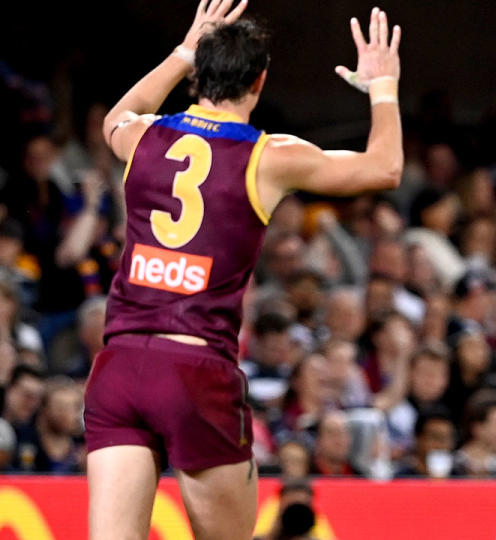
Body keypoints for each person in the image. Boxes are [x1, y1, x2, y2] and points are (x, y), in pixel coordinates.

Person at [85, 2, 402, 538]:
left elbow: (114, 118)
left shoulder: (141, 137)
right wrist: (383, 87)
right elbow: (385, 167)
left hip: (117, 367)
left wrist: (183, 52)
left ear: (197, 79)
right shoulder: (268, 155)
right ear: (260, 81)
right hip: (195, 371)